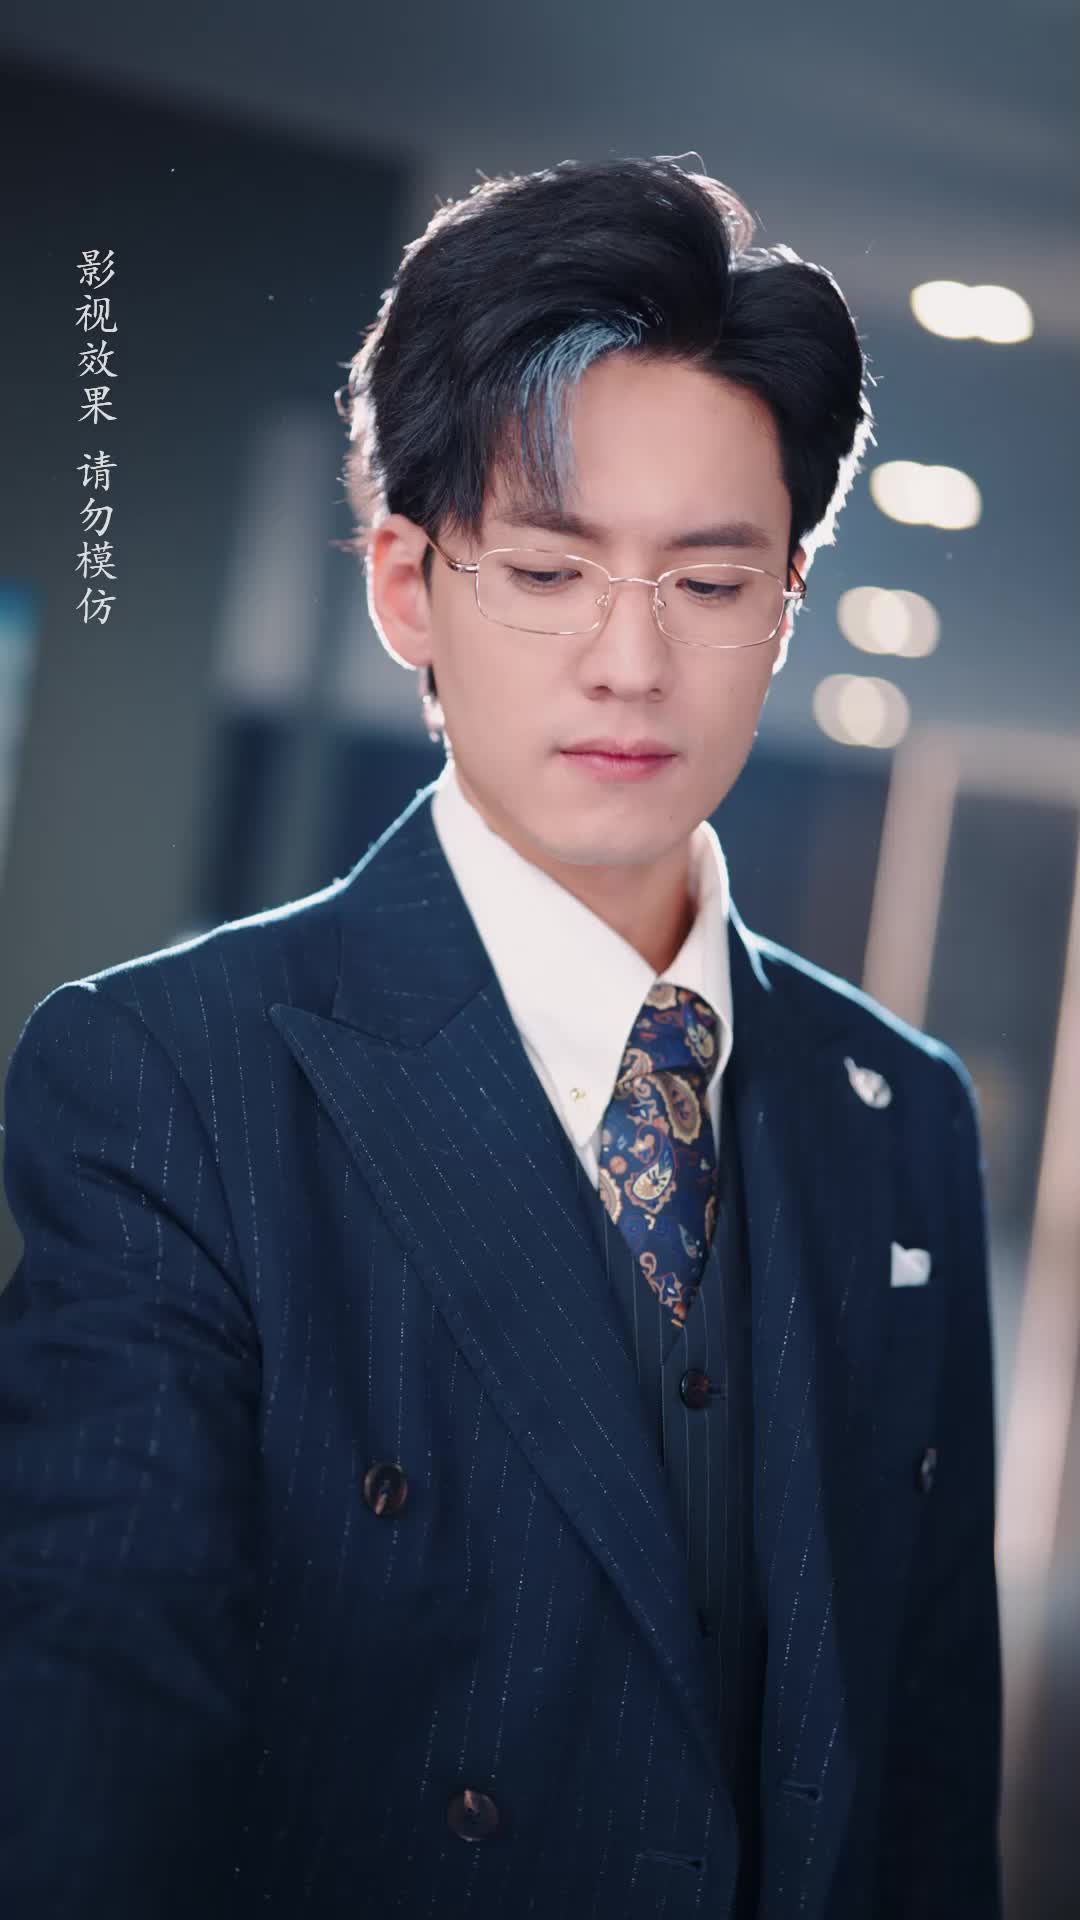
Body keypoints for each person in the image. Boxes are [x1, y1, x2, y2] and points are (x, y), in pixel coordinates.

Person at [0, 155, 1002, 1919]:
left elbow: (922, 1765)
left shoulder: (899, 1111)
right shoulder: (170, 1077)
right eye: (547, 569)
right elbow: (93, 1708)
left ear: (786, 602)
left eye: (711, 585)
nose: (631, 663)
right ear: (408, 583)